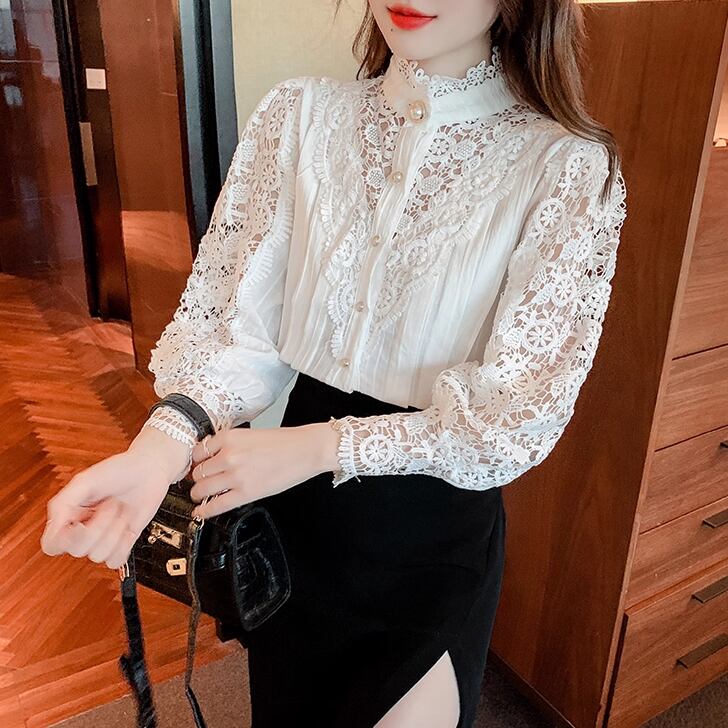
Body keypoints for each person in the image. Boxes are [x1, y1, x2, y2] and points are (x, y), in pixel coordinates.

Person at [40, 1, 628, 726]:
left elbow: (513, 419)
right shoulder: (301, 117)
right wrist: (155, 452)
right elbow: (237, 326)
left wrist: (320, 447)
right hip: (297, 524)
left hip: (430, 531)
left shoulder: (565, 166)